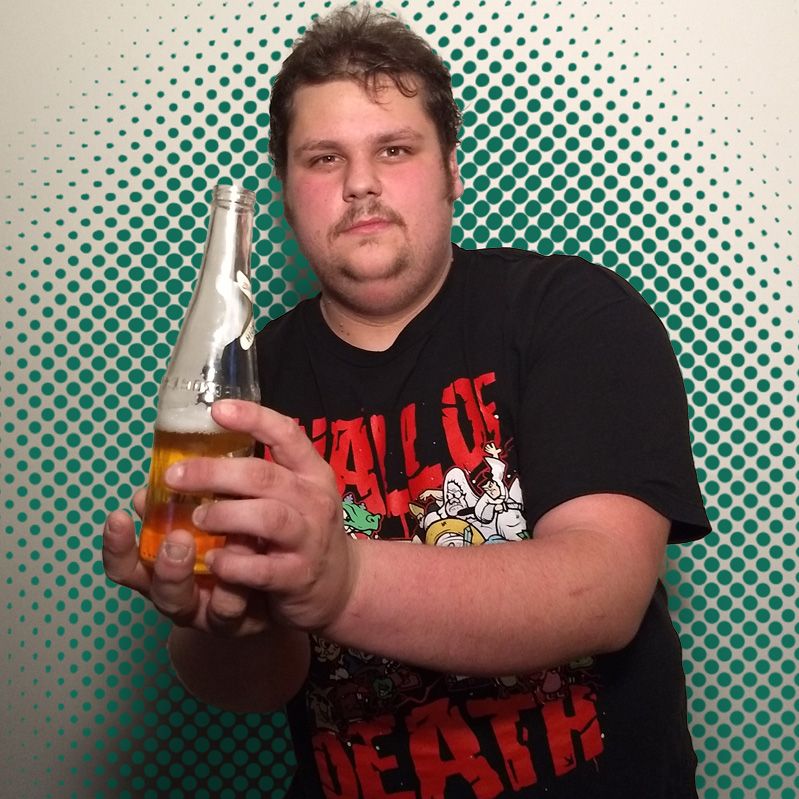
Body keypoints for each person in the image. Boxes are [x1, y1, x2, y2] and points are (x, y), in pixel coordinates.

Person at [102, 5, 711, 797]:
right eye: (324, 158)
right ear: (285, 197)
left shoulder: (573, 312)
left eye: (394, 149)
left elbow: (602, 591)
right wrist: (224, 619)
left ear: (452, 170)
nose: (360, 183)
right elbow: (256, 685)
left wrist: (343, 580)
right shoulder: (247, 382)